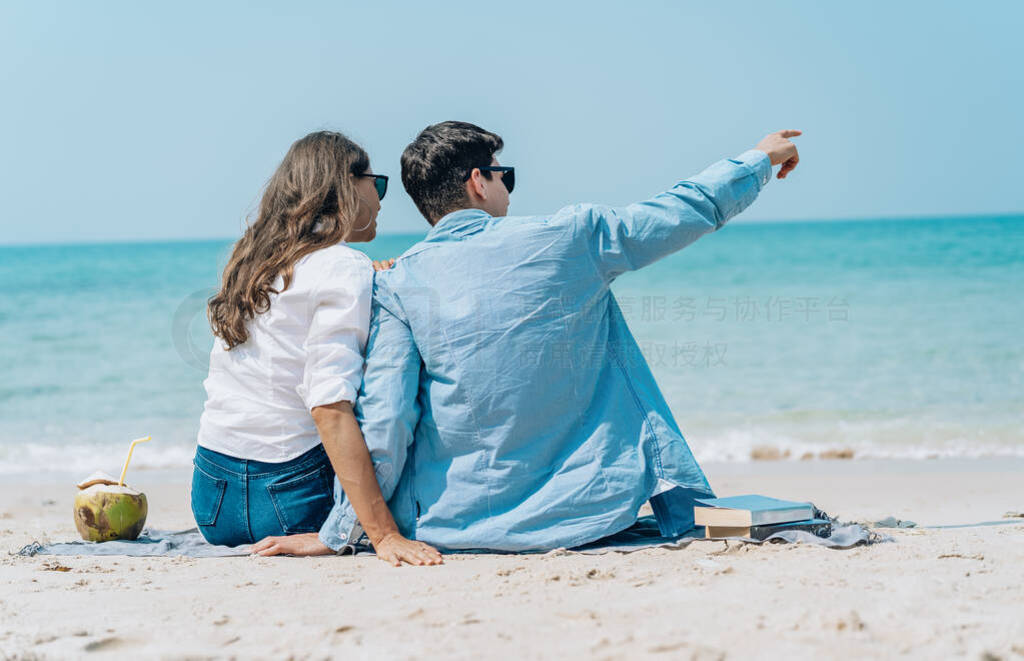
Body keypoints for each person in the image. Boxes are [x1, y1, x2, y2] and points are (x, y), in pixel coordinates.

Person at [261, 121, 801, 556]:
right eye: (504, 177)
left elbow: (384, 418)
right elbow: (684, 209)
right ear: (478, 181)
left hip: (454, 523)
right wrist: (759, 159)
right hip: (588, 512)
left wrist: (343, 532)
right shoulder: (572, 237)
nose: (507, 190)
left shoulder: (398, 282)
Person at [192, 130, 441, 566]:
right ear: (346, 186)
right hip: (290, 501)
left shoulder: (250, 264)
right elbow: (327, 404)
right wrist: (383, 536)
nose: (381, 200)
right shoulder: (342, 265)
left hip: (213, 501)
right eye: (377, 184)